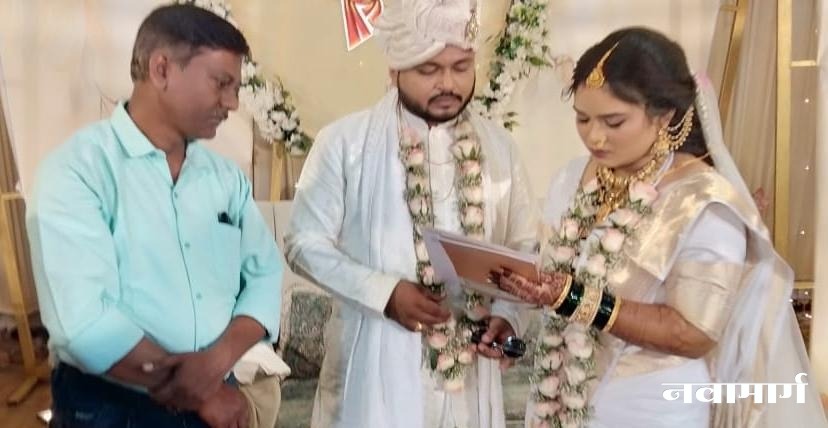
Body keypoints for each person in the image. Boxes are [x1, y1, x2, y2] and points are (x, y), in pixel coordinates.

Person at [490, 27, 828, 428]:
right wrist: (516, 307)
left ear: (665, 115)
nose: (594, 136)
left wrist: (575, 298)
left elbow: (694, 332)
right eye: (582, 118)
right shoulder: (573, 178)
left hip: (656, 409)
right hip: (558, 398)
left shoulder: (704, 203)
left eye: (614, 121)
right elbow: (551, 272)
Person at [26, 4, 286, 427]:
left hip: (217, 391)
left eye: (236, 88)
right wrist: (199, 392)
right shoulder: (78, 171)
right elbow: (84, 321)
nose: (232, 103)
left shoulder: (224, 179)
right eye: (222, 84)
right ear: (161, 69)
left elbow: (264, 274)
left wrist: (215, 364)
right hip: (113, 406)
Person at [283, 0, 537, 427]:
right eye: (428, 69)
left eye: (461, 67)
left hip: (471, 373)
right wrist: (385, 294)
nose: (448, 83)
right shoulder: (345, 144)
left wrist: (509, 318)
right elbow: (302, 244)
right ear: (395, 70)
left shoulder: (500, 149)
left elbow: (525, 246)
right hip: (376, 362)